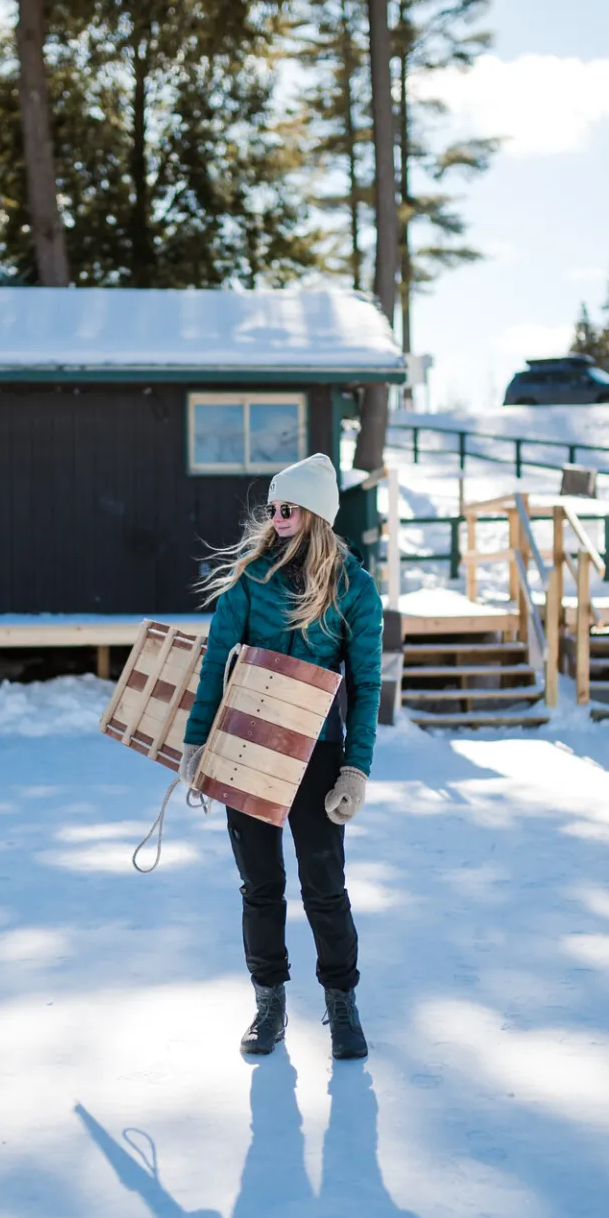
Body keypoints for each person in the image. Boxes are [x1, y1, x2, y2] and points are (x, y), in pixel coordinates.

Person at [179, 453, 383, 1061]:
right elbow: (217, 662)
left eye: (287, 508)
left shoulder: (355, 590)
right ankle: (269, 1002)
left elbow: (366, 685)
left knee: (325, 886)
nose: (277, 517)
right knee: (260, 885)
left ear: (315, 514)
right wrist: (197, 741)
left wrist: (355, 767)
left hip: (318, 755)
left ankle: (341, 1002)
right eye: (272, 508)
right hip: (246, 749)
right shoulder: (252, 581)